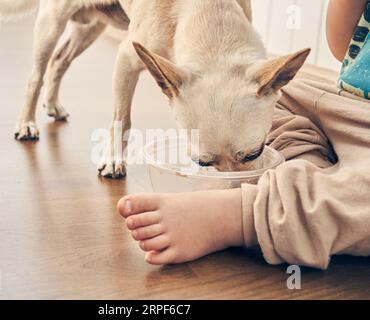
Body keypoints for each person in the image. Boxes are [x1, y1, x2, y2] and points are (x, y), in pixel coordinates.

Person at [117, 0, 370, 269]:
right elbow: (343, 45)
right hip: (339, 99)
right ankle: (306, 182)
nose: (230, 180)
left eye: (249, 155)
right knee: (269, 104)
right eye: (206, 161)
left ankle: (240, 216)